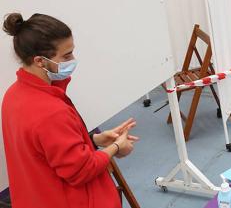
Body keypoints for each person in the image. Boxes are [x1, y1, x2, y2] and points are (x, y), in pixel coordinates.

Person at [2, 13, 139, 208]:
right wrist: (117, 146)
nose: (73, 60)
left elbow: (46, 150)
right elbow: (81, 171)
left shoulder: (13, 96)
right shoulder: (51, 111)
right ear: (40, 61)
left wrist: (93, 141)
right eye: (67, 55)